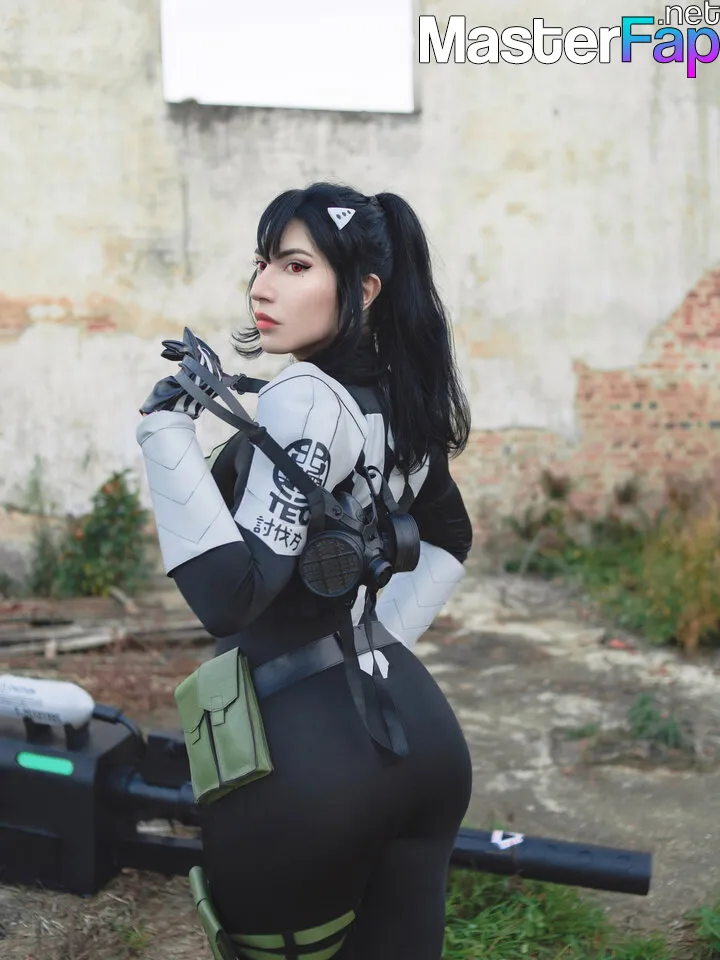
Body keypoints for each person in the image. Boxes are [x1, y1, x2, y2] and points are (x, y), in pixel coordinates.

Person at [136, 183, 474, 960]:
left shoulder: (305, 397)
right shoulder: (399, 391)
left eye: (294, 266)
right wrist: (375, 640)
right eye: (263, 263)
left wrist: (163, 432)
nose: (262, 287)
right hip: (422, 738)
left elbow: (231, 597)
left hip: (308, 763)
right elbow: (450, 537)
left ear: (364, 289)